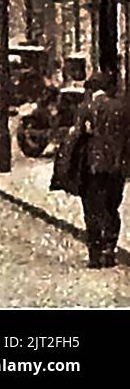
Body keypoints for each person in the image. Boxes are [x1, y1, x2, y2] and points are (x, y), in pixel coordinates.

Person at [75, 71, 130, 268]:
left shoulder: (86, 108)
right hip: (117, 167)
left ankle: (95, 254)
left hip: (93, 167)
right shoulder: (123, 108)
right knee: (111, 207)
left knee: (92, 209)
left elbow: (78, 137)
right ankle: (109, 249)